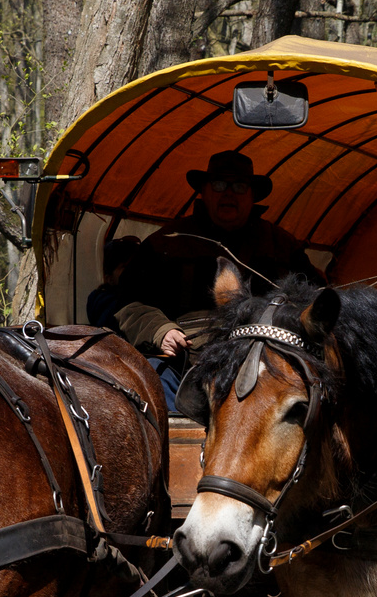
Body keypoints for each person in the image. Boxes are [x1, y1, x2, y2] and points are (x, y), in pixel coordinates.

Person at [109, 150, 325, 410]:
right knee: (151, 378)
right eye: (219, 185)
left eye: (239, 186)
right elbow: (128, 304)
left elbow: (317, 303)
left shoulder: (282, 246)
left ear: (252, 195)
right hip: (188, 361)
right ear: (204, 191)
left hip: (269, 361)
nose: (228, 193)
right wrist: (160, 331)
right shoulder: (166, 243)